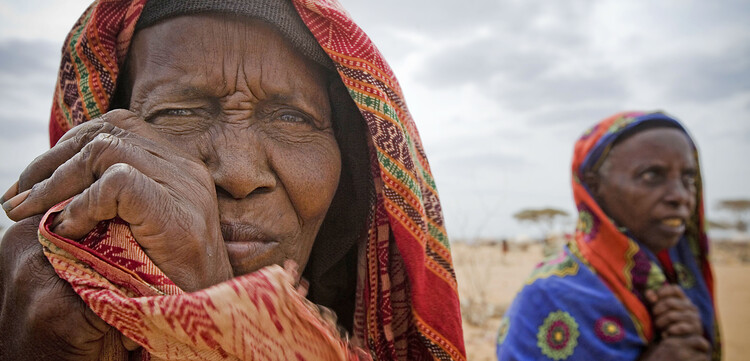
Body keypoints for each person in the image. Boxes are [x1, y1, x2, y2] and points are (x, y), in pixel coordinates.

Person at [0, 0, 466, 360]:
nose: (240, 176)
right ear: (98, 143)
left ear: (353, 163)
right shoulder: (38, 318)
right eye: (177, 113)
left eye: (293, 118)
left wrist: (213, 322)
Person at [495, 111, 720, 360]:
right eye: (651, 175)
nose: (680, 195)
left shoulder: (679, 286)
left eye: (688, 178)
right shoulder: (549, 296)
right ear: (594, 187)